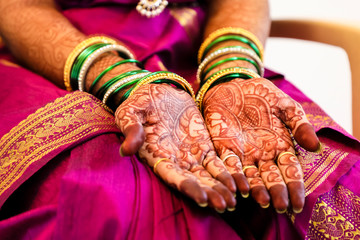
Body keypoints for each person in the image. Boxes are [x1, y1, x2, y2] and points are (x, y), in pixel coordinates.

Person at [0, 0, 359, 239]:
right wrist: (118, 79)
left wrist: (231, 71)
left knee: (329, 186)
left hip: (200, 54)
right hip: (57, 59)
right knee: (110, 202)